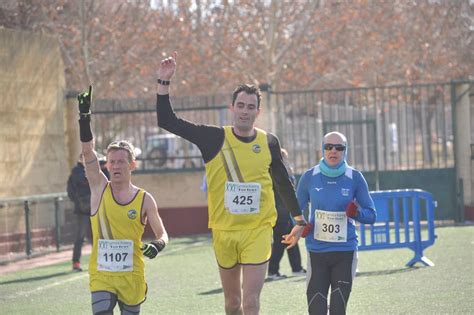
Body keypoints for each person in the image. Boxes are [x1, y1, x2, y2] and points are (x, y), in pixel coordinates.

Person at [156, 52, 306, 315]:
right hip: (224, 232)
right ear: (232, 108)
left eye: (251, 107)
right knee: (232, 303)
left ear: (257, 112)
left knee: (250, 302)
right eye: (241, 105)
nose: (245, 111)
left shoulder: (269, 142)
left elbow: (283, 183)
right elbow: (168, 121)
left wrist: (299, 220)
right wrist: (163, 83)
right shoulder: (213, 138)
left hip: (258, 230)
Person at [77, 85, 169, 314]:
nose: (115, 166)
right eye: (112, 161)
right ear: (106, 165)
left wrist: (158, 245)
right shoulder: (99, 187)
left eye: (121, 161)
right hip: (102, 275)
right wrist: (84, 118)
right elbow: (88, 152)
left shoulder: (145, 199)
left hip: (132, 277)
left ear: (132, 165)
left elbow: (163, 233)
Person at [297, 131, 376, 315]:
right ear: (322, 150)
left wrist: (356, 213)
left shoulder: (354, 177)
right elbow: (296, 210)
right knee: (316, 310)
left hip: (345, 252)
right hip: (317, 252)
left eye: (339, 147)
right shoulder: (309, 177)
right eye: (328, 147)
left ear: (345, 151)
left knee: (338, 310)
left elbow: (371, 215)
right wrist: (302, 224)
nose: (333, 151)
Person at [67, 154, 110, 272]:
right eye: (84, 159)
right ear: (80, 160)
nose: (87, 161)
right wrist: (80, 202)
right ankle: (76, 263)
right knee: (80, 236)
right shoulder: (77, 171)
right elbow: (80, 182)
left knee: (98, 235)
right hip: (82, 210)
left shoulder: (98, 169)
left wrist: (104, 168)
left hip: (96, 208)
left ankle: (101, 261)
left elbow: (107, 182)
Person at [268, 149, 306, 279]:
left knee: (292, 238)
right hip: (279, 212)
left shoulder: (286, 171)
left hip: (288, 212)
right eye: (284, 158)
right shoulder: (274, 173)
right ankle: (272, 271)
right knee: (280, 241)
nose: (286, 161)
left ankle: (297, 268)